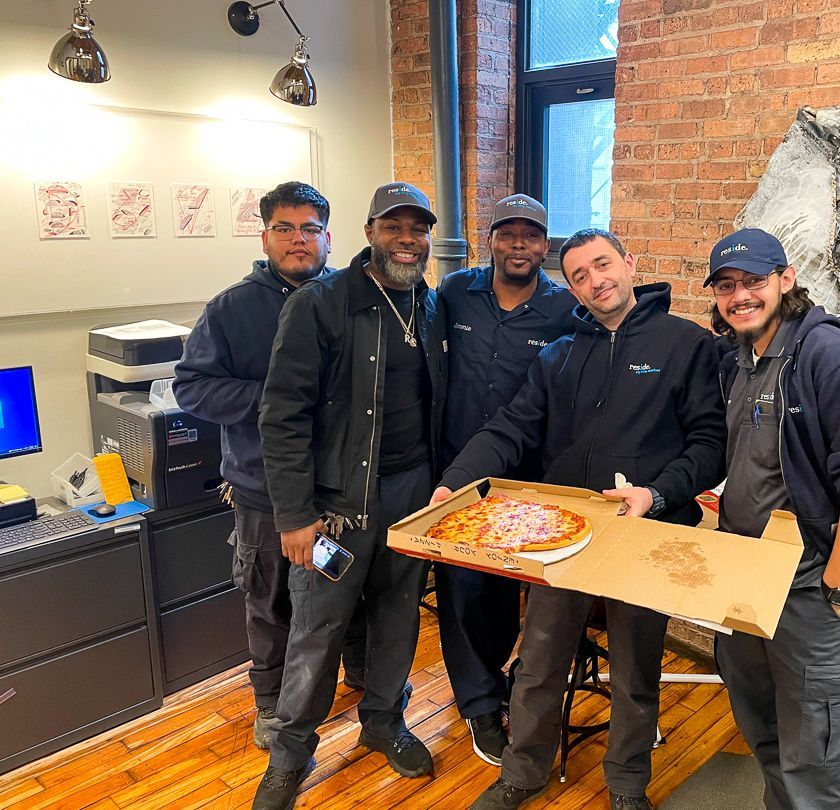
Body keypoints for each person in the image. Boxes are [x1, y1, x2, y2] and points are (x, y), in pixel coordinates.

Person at [432, 228, 726, 810]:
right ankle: (523, 772)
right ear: (570, 288)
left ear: (630, 261)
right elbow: (510, 428)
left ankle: (626, 784)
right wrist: (453, 483)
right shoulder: (559, 353)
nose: (596, 281)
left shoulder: (685, 344)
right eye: (580, 276)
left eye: (603, 265)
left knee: (635, 669)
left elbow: (711, 442)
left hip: (644, 533)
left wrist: (659, 494)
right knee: (539, 661)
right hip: (563, 533)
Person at [705, 228, 840, 809]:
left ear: (786, 279)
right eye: (727, 286)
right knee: (765, 728)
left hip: (806, 585)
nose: (740, 296)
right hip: (744, 575)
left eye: (754, 281)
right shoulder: (740, 358)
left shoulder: (833, 356)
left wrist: (837, 586)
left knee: (818, 753)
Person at [251, 182, 448, 810]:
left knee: (397, 618)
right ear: (368, 232)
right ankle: (290, 754)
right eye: (394, 227)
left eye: (417, 229)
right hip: (339, 506)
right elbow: (281, 415)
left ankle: (384, 720)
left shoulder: (430, 304)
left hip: (413, 496)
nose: (407, 239)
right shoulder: (321, 303)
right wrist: (294, 514)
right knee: (317, 630)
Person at [172, 181, 368, 750]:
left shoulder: (350, 300)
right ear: (265, 236)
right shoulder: (233, 309)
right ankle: (272, 704)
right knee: (271, 600)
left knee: (348, 589)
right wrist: (276, 399)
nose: (298, 240)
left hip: (339, 487)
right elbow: (192, 387)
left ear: (328, 237)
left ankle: (357, 678)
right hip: (263, 494)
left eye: (310, 229)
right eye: (285, 228)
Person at [436, 193, 576, 766]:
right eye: (508, 233)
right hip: (457, 473)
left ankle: (499, 677)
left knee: (504, 591)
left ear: (547, 246)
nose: (520, 244)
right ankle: (478, 703)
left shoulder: (565, 309)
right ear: (489, 239)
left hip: (524, 481)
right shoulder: (451, 294)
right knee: (460, 592)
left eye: (532, 235)